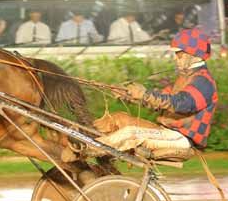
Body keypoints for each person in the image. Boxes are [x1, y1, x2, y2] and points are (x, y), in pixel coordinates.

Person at [92, 28, 218, 159]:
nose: (175, 59)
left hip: (181, 138)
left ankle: (88, 149)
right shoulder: (185, 77)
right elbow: (160, 101)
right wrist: (128, 95)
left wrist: (144, 94)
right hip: (167, 132)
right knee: (118, 119)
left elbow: (182, 104)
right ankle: (85, 139)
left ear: (193, 54)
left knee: (130, 132)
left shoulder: (203, 81)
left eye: (178, 54)